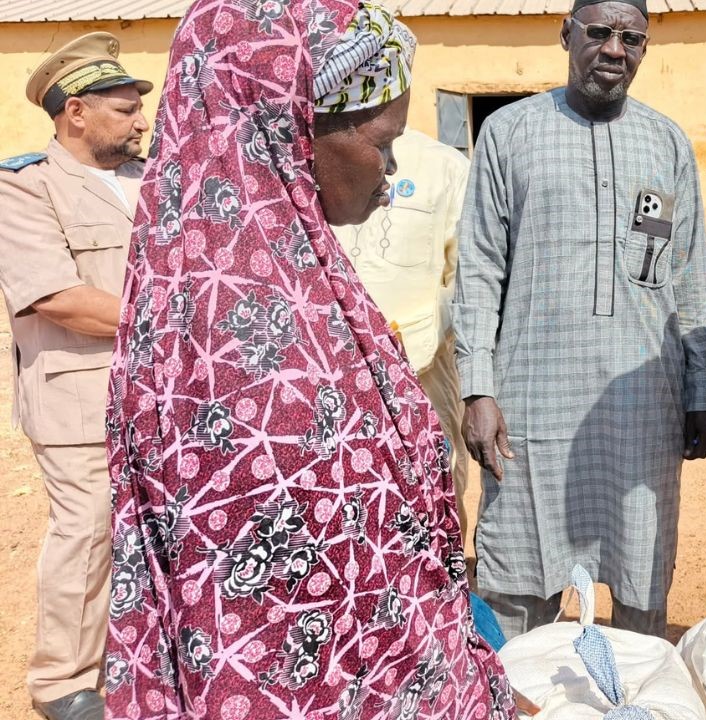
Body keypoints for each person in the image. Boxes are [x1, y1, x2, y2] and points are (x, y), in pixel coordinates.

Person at [101, 2, 515, 718]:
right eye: (382, 143)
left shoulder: (280, 271)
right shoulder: (235, 335)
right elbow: (265, 637)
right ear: (290, 130)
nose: (390, 172)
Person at [454, 0, 706, 640]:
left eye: (631, 37)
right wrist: (478, 387)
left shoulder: (666, 142)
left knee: (641, 578)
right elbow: (480, 266)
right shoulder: (510, 133)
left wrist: (701, 390)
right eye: (598, 32)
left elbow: (687, 274)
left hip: (640, 406)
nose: (613, 49)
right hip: (529, 403)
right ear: (566, 35)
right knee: (517, 585)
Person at [0, 31, 151, 720]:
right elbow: (56, 296)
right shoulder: (21, 188)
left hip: (162, 395)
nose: (141, 121)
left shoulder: (150, 181)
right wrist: (177, 323)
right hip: (77, 397)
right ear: (76, 112)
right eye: (124, 109)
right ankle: (63, 682)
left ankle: (142, 658)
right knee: (89, 533)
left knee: (157, 532)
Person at [333, 130, 473, 532]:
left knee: (434, 493)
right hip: (334, 370)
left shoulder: (444, 166)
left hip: (424, 370)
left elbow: (463, 278)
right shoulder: (314, 150)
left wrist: (415, 342)